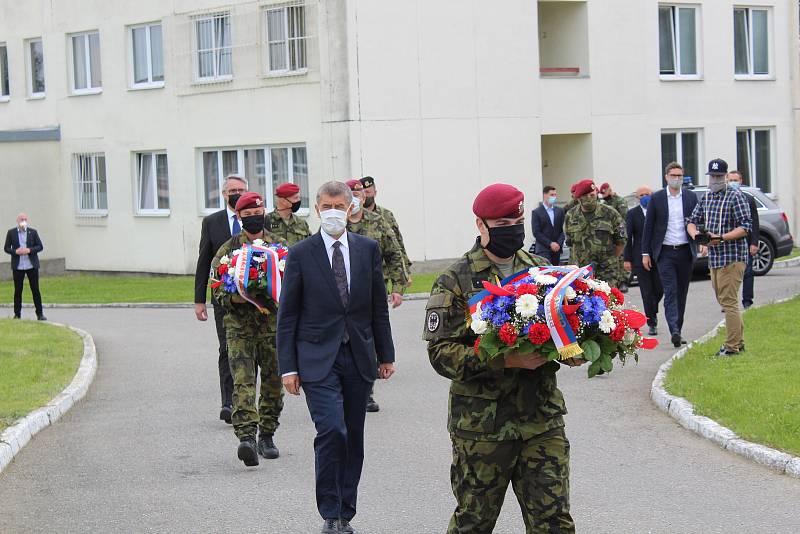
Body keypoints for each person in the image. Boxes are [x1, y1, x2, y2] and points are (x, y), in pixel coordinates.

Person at [425, 183, 581, 533]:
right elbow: (440, 354)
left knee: (554, 521)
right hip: (483, 426)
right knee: (474, 523)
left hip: (541, 418)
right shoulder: (455, 280)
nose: (513, 228)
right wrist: (503, 360)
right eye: (503, 222)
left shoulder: (541, 270)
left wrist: (572, 348)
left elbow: (562, 329)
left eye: (518, 218)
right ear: (481, 225)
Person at [277, 181, 396, 534]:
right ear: (317, 209)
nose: (332, 211)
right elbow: (288, 315)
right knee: (332, 430)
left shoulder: (367, 249)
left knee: (353, 435)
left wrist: (385, 354)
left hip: (358, 356)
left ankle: (346, 511)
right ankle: (330, 512)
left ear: (350, 208)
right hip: (316, 358)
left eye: (339, 205)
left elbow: (377, 307)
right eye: (326, 205)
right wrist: (289, 367)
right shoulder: (300, 253)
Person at [212, 192, 285, 466]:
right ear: (240, 217)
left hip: (272, 329)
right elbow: (217, 290)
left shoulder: (279, 248)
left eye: (259, 212)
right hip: (239, 329)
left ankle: (267, 433)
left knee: (273, 383)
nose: (255, 217)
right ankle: (247, 438)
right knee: (243, 382)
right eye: (249, 214)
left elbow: (293, 283)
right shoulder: (227, 251)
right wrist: (238, 296)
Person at [346, 179, 406, 413]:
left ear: (364, 196)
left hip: (371, 290)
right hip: (341, 292)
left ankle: (366, 391)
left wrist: (398, 286)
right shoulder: (337, 224)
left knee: (368, 338)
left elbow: (394, 254)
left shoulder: (378, 222)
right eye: (349, 194)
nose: (355, 198)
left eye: (358, 193)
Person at [194, 174, 248, 424]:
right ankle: (228, 401)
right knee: (227, 348)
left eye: (241, 190)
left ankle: (246, 399)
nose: (236, 194)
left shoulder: (256, 218)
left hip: (253, 299)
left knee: (251, 349)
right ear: (224, 194)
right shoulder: (212, 222)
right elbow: (204, 262)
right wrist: (199, 300)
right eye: (232, 190)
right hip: (223, 299)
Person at [688, 159, 752, 356]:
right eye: (712, 176)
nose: (714, 180)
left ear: (725, 177)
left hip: (732, 257)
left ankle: (732, 347)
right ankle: (738, 342)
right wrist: (697, 236)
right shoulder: (707, 197)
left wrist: (721, 238)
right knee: (724, 300)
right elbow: (692, 221)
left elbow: (745, 226)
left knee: (729, 301)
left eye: (718, 176)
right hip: (714, 258)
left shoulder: (736, 196)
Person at [641, 162, 700, 348]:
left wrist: (701, 243)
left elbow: (698, 222)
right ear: (666, 177)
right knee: (670, 291)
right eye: (673, 175)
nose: (677, 179)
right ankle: (673, 329)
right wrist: (645, 253)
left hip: (685, 251)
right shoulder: (657, 198)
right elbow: (648, 227)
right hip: (665, 252)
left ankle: (678, 329)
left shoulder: (690, 197)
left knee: (682, 292)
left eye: (679, 176)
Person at [564, 179, 626, 288]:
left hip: (606, 272)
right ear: (579, 198)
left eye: (592, 195)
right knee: (583, 303)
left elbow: (621, 241)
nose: (590, 198)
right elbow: (570, 242)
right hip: (581, 272)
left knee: (607, 302)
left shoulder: (610, 213)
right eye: (586, 196)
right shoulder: (571, 216)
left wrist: (609, 259)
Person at [624, 187, 663, 336]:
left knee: (659, 289)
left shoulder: (658, 212)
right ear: (637, 198)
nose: (645, 197)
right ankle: (651, 322)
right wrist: (627, 259)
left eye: (648, 194)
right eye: (642, 195)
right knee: (646, 291)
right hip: (639, 258)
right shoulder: (632, 214)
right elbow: (628, 238)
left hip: (658, 256)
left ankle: (652, 308)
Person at [360, 176, 412, 281]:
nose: (366, 195)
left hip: (384, 270)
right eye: (363, 193)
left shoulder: (386, 215)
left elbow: (398, 242)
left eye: (368, 192)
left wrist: (405, 271)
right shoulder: (354, 216)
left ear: (375, 193)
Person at [726, 170, 759, 309]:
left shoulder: (748, 199)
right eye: (731, 180)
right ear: (726, 180)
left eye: (736, 180)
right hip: (727, 241)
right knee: (728, 273)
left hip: (744, 241)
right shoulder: (722, 198)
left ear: (740, 181)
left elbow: (754, 223)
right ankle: (728, 301)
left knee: (747, 272)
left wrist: (754, 242)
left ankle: (747, 301)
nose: (733, 182)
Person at [4, 214, 45, 321]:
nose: (24, 221)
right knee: (18, 290)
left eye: (25, 219)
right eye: (22, 219)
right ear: (17, 221)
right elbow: (6, 248)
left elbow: (40, 246)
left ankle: (40, 314)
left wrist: (29, 250)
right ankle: (17, 314)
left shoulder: (33, 232)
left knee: (35, 289)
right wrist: (15, 251)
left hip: (31, 265)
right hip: (18, 266)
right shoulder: (11, 233)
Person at [599, 182, 630, 293]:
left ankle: (623, 281)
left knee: (620, 258)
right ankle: (614, 281)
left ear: (609, 189)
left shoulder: (619, 202)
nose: (603, 196)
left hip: (618, 233)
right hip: (607, 237)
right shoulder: (605, 203)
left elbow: (623, 219)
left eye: (604, 193)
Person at [531, 185, 565, 265]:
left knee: (556, 272)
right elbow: (536, 232)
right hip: (543, 249)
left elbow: (562, 230)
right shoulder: (537, 212)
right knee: (546, 273)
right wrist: (550, 244)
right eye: (551, 195)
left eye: (555, 195)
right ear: (545, 195)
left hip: (557, 250)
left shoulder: (560, 211)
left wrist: (558, 244)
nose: (554, 197)